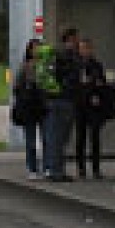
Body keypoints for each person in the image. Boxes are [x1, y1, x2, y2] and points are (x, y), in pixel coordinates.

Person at [39, 27, 82, 183]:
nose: (78, 41)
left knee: (54, 137)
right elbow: (72, 77)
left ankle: (52, 169)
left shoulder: (54, 54)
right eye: (76, 38)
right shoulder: (69, 56)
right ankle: (57, 171)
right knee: (60, 138)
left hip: (53, 99)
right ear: (70, 38)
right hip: (64, 100)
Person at [72, 35, 115, 180]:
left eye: (87, 48)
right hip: (80, 104)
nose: (85, 51)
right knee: (81, 136)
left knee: (95, 136)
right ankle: (81, 168)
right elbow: (75, 83)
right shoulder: (76, 64)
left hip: (93, 105)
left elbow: (101, 82)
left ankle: (96, 168)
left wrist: (95, 88)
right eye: (82, 48)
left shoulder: (96, 65)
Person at [10, 38, 47, 177]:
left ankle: (46, 166)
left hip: (43, 106)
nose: (37, 51)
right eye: (34, 48)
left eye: (39, 48)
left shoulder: (47, 66)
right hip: (29, 107)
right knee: (30, 140)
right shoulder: (25, 67)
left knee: (47, 139)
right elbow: (16, 87)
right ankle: (32, 168)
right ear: (30, 51)